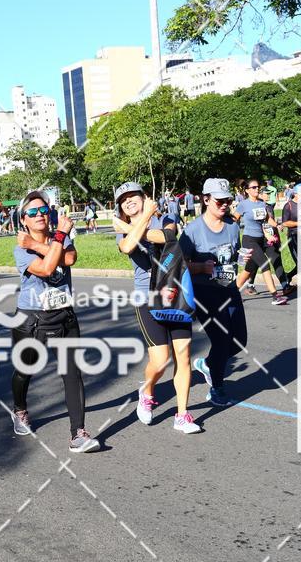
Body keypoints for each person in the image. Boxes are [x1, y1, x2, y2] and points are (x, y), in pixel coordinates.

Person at [11, 190, 99, 452]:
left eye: (43, 210)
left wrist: (42, 243)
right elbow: (48, 268)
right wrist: (57, 239)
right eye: (33, 212)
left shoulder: (49, 239)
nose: (40, 215)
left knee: (72, 373)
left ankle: (78, 434)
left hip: (64, 316)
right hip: (31, 320)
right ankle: (19, 410)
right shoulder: (19, 249)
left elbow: (69, 258)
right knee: (24, 371)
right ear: (23, 219)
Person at [113, 182, 201, 433]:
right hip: (146, 298)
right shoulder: (122, 232)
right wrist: (133, 227)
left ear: (145, 198)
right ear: (121, 207)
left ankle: (182, 415)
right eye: (123, 200)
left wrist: (142, 220)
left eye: (133, 196)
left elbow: (166, 237)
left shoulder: (167, 217)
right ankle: (147, 391)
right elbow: (128, 246)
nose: (129, 201)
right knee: (161, 360)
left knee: (183, 357)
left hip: (175, 295)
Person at [179, 178, 247, 407]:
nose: (225, 204)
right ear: (205, 199)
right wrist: (201, 267)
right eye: (219, 201)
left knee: (238, 341)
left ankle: (208, 364)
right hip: (204, 292)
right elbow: (178, 264)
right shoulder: (192, 230)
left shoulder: (232, 226)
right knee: (221, 340)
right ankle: (217, 388)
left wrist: (241, 258)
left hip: (229, 288)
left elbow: (231, 255)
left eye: (227, 200)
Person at [234, 179, 288, 304]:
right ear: (247, 190)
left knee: (249, 270)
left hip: (259, 240)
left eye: (258, 187)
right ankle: (275, 296)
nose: (257, 189)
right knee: (265, 264)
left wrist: (277, 225)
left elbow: (267, 219)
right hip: (249, 240)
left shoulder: (261, 203)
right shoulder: (243, 204)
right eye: (253, 187)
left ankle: (230, 293)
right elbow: (234, 219)